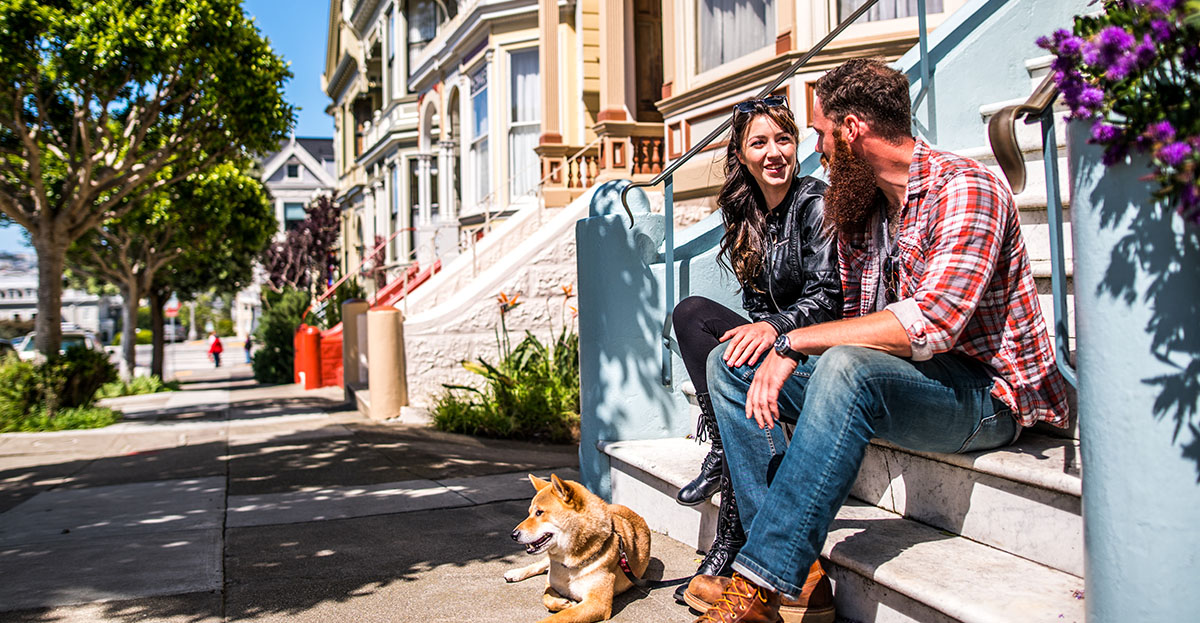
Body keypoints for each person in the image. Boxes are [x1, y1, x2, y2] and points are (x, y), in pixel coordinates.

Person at [687, 59, 1069, 623]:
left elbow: (933, 322)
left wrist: (795, 345)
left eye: (818, 132)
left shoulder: (967, 188)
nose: (813, 149)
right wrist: (783, 348)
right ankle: (804, 573)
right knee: (730, 363)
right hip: (903, 381)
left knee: (844, 365)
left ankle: (760, 582)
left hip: (987, 396)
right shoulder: (862, 209)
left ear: (852, 130)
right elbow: (853, 316)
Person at [670, 95, 841, 606]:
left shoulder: (816, 202)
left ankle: (733, 544)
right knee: (691, 315)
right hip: (776, 335)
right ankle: (724, 450)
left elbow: (829, 295)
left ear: (797, 145)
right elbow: (756, 302)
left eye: (784, 139)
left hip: (814, 346)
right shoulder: (742, 210)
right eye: (759, 142)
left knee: (729, 362)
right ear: (741, 154)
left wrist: (776, 332)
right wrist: (762, 330)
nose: (774, 152)